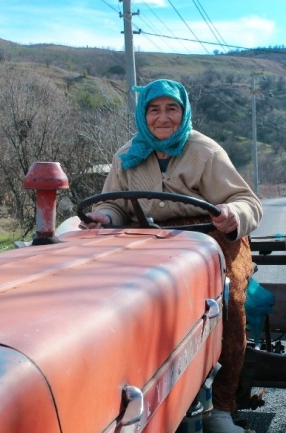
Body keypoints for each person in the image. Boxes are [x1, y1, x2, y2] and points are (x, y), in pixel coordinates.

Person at [83, 79, 262, 433]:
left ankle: (221, 408)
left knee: (228, 300)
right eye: (154, 109)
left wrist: (231, 215)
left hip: (211, 240)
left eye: (171, 109)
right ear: (142, 114)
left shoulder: (204, 151)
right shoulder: (127, 155)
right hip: (150, 241)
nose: (162, 117)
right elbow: (112, 205)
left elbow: (248, 202)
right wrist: (105, 217)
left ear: (183, 113)